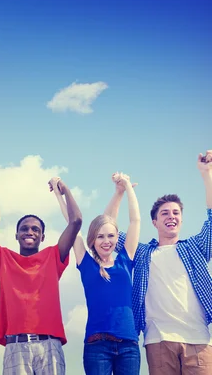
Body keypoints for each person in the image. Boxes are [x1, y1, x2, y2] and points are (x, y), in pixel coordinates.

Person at [0, 160, 82, 375]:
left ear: (42, 236)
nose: (30, 232)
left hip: (50, 345)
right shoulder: (3, 258)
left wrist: (64, 189)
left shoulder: (53, 256)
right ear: (17, 234)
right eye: (25, 228)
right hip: (16, 346)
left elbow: (76, 221)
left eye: (35, 229)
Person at [110, 150, 212, 375]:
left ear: (182, 220)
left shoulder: (195, 248)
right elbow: (108, 231)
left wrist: (207, 174)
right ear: (154, 222)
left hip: (198, 339)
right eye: (164, 213)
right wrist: (119, 193)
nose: (171, 216)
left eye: (176, 213)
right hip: (158, 340)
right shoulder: (143, 252)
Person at [51, 173, 140, 374]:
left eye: (110, 236)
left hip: (128, 346)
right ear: (92, 240)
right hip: (96, 346)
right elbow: (72, 223)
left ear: (117, 237)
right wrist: (60, 195)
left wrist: (127, 187)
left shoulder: (126, 260)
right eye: (100, 237)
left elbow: (135, 220)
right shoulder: (86, 263)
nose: (106, 241)